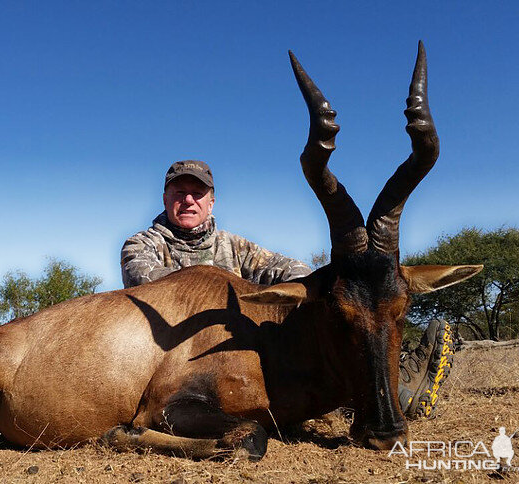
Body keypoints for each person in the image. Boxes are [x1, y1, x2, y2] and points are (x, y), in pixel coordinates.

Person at [121, 160, 454, 420]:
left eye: (197, 194)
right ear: (166, 199)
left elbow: (289, 269)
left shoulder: (234, 246)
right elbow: (154, 286)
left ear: (211, 202)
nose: (188, 200)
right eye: (179, 193)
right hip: (178, 352)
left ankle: (389, 388)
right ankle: (395, 396)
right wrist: (219, 295)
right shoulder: (141, 245)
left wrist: (335, 286)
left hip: (241, 353)